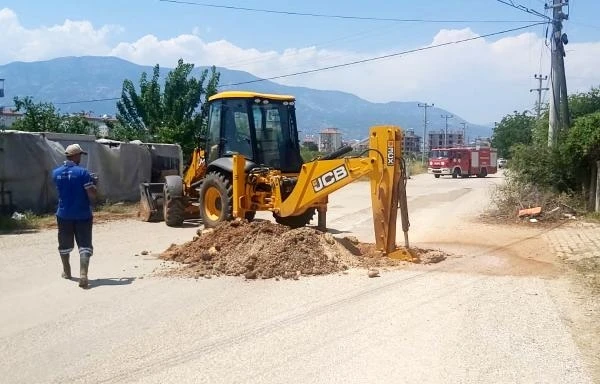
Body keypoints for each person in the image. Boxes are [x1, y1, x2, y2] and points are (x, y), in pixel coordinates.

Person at [52, 144, 97, 288]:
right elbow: (91, 194)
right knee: (84, 245)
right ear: (75, 156)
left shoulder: (56, 173)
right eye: (80, 155)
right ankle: (83, 275)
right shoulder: (83, 173)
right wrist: (95, 185)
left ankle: (67, 271)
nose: (81, 158)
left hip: (63, 214)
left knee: (64, 244)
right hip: (82, 214)